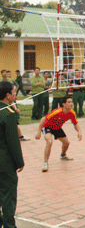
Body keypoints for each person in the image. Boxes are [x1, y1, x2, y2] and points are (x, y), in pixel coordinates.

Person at [35, 96, 82, 172]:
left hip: (57, 128)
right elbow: (43, 119)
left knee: (66, 143)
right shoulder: (56, 112)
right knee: (49, 142)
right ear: (63, 104)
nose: (71, 104)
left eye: (72, 102)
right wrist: (38, 132)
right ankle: (45, 163)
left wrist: (79, 132)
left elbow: (75, 123)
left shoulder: (72, 113)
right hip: (47, 127)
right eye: (69, 102)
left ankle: (63, 155)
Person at [0, 81, 25, 228]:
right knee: (8, 198)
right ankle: (9, 225)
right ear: (7, 95)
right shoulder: (8, 114)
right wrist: (19, 162)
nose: (15, 95)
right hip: (5, 164)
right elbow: (13, 143)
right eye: (14, 92)